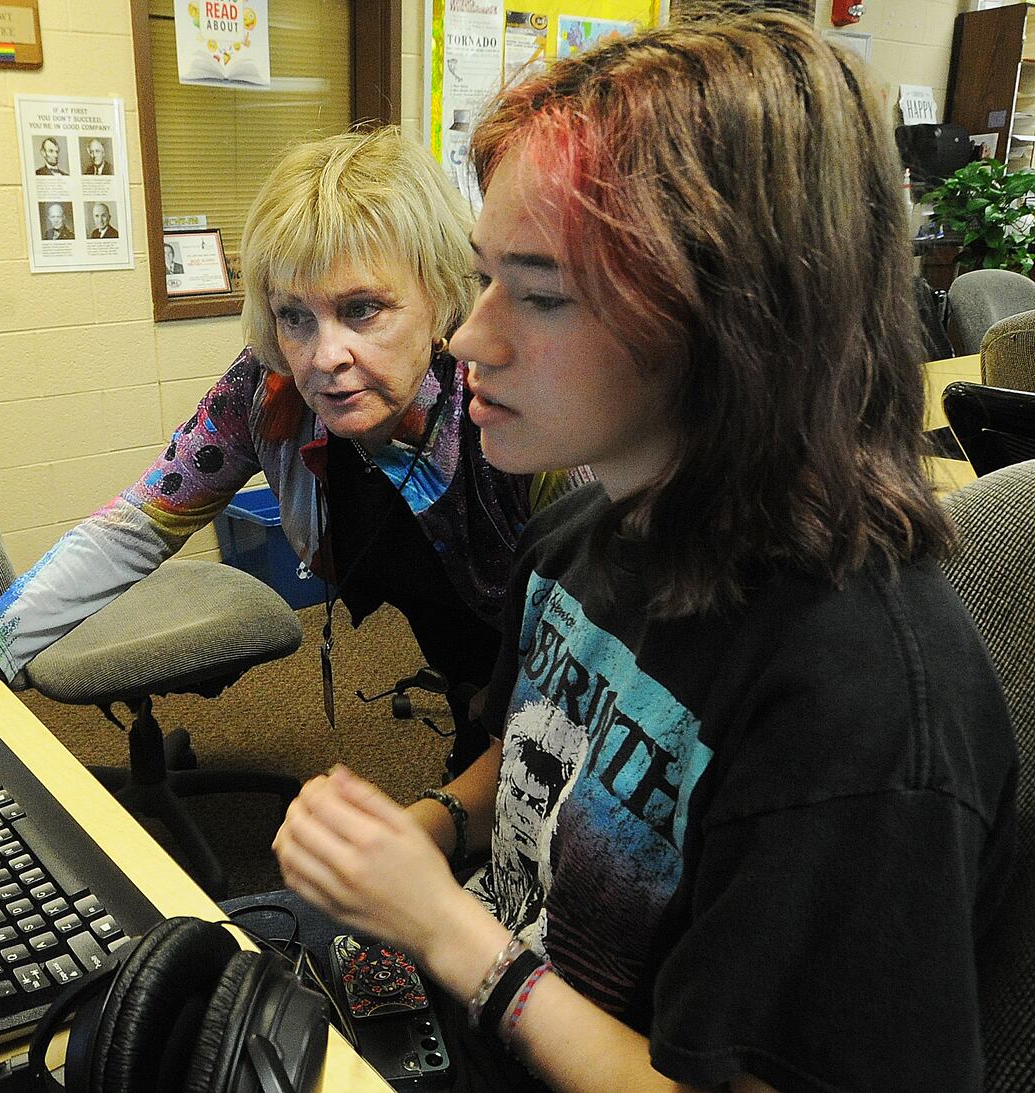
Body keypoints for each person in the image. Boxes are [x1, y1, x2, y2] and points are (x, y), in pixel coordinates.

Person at [271, 12, 1016, 1093]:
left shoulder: (862, 712)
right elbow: (540, 748)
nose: (471, 338)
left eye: (537, 292)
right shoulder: (588, 530)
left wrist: (447, 933)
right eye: (484, 280)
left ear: (728, 319)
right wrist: (429, 825)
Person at [0, 126, 583, 775]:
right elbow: (137, 524)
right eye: (294, 316)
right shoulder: (266, 393)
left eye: (363, 309)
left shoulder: (515, 408)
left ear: (441, 292)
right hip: (472, 674)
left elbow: (600, 647)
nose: (322, 356)